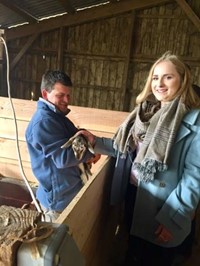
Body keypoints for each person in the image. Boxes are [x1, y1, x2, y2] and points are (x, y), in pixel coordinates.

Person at [75, 51, 200, 265]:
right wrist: (95, 141)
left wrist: (174, 218)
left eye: (168, 77)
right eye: (155, 77)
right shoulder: (146, 114)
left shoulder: (194, 122)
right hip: (136, 194)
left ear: (182, 80)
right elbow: (123, 147)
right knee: (133, 252)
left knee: (156, 259)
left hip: (165, 206)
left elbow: (194, 178)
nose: (159, 83)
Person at [25, 70, 98, 222]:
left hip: (67, 190)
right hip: (58, 200)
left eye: (68, 95)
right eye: (60, 95)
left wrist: (84, 140)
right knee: (57, 242)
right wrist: (90, 152)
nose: (66, 99)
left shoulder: (56, 116)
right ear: (45, 94)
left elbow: (73, 137)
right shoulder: (44, 122)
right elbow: (63, 158)